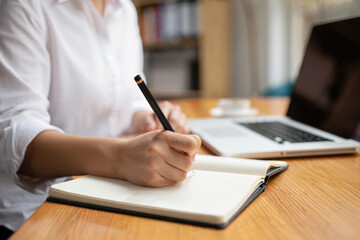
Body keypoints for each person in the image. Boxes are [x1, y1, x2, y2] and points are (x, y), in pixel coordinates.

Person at [0, 0, 201, 237]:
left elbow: (127, 104)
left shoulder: (124, 8)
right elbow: (15, 137)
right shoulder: (26, 5)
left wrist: (148, 118)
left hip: (112, 194)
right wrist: (119, 156)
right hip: (38, 212)